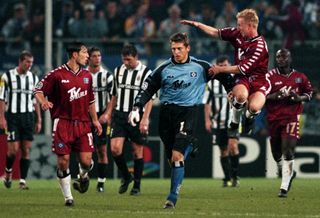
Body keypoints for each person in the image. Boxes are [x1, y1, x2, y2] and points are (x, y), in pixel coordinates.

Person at [128, 32, 234, 209]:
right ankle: (190, 145)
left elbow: (223, 75)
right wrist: (136, 107)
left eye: (179, 49)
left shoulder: (200, 66)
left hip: (188, 112)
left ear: (187, 48)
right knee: (172, 158)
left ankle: (172, 198)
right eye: (173, 49)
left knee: (177, 156)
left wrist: (231, 89)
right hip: (166, 114)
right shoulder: (163, 69)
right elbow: (147, 90)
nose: (176, 52)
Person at [33, 42, 102, 206]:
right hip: (63, 123)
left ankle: (83, 175)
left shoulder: (87, 76)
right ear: (75, 55)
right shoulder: (56, 75)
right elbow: (38, 90)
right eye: (85, 53)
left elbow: (91, 101)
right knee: (63, 161)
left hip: (83, 123)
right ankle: (68, 197)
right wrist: (43, 102)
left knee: (86, 161)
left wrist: (95, 120)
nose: (88, 56)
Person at [181, 8, 269, 136]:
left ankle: (249, 118)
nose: (238, 27)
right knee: (240, 97)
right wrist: (197, 24)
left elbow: (241, 68)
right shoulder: (237, 34)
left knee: (254, 108)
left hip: (259, 81)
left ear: (250, 26)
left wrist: (219, 69)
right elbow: (216, 32)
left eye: (240, 25)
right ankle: (235, 121)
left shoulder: (259, 46)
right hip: (243, 78)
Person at [99, 44, 153, 196]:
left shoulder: (146, 73)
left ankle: (137, 186)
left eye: (129, 60)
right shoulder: (118, 71)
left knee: (137, 151)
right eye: (124, 60)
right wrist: (108, 113)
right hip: (120, 115)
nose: (126, 63)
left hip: (137, 116)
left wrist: (145, 119)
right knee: (115, 149)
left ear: (136, 57)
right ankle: (126, 176)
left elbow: (150, 98)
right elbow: (114, 95)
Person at [265, 48, 312, 198]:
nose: (281, 59)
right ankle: (288, 173)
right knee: (276, 153)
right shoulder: (269, 77)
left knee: (288, 150)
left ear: (290, 58)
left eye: (284, 56)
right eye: (278, 57)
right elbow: (261, 95)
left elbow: (309, 93)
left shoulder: (300, 77)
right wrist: (275, 95)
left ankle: (284, 187)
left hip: (292, 117)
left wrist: (299, 98)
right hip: (274, 119)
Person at [0, 50, 42, 190]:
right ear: (21, 61)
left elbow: (36, 100)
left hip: (28, 116)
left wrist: (39, 119)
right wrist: (2, 118)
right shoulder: (6, 76)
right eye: (27, 62)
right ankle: (8, 172)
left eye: (31, 62)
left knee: (26, 149)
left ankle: (23, 181)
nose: (29, 65)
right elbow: (1, 99)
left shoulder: (34, 78)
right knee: (13, 150)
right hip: (12, 117)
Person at [203, 55, 240, 187]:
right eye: (221, 66)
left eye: (225, 65)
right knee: (223, 150)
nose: (223, 68)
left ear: (229, 64)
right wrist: (207, 120)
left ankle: (235, 177)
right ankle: (227, 178)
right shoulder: (212, 82)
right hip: (218, 122)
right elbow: (206, 103)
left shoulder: (235, 80)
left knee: (233, 146)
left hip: (233, 120)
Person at [87, 47, 113, 192]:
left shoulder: (107, 76)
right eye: (94, 56)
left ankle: (101, 183)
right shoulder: (83, 75)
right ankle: (83, 176)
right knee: (84, 150)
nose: (97, 58)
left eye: (99, 55)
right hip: (85, 117)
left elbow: (113, 97)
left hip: (102, 116)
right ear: (89, 58)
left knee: (102, 151)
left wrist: (107, 114)